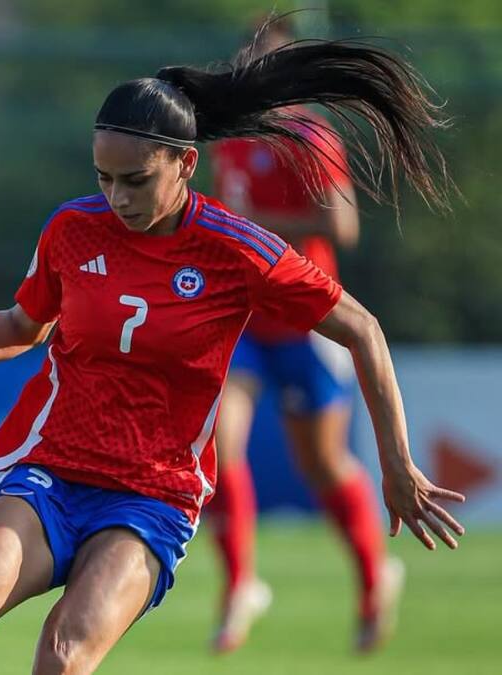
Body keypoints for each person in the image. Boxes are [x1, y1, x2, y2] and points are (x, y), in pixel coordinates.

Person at [0, 36, 464, 675]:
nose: (118, 197)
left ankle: (288, 584)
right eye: (104, 178)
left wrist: (395, 462)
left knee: (63, 656)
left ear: (185, 164)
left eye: (136, 180)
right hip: (54, 471)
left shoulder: (236, 248)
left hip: (151, 496)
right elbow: (25, 324)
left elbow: (362, 329)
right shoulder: (72, 229)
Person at [205, 19, 399, 654]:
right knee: (214, 443)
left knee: (320, 464)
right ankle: (242, 584)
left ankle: (374, 581)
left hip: (305, 317)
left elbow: (342, 226)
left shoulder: (311, 136)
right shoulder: (229, 141)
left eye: (264, 60)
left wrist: (254, 222)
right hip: (244, 318)